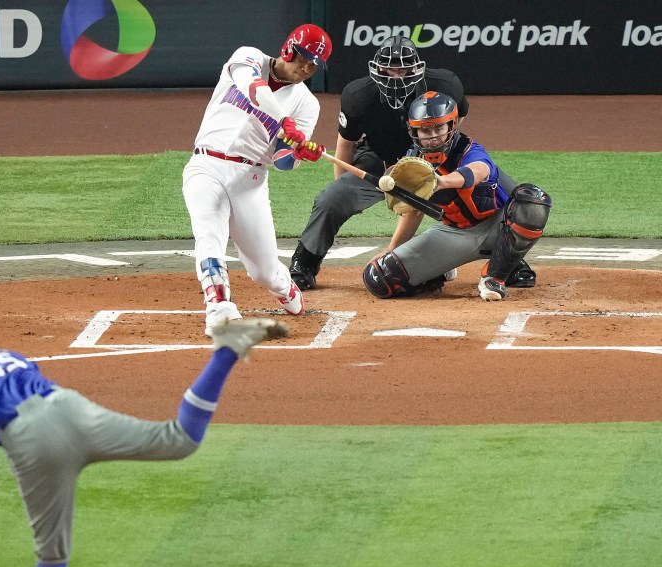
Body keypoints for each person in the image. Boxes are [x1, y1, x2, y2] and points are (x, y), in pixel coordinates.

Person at [0, 294, 287, 567]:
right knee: (179, 439)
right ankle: (227, 351)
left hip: (33, 438)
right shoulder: (9, 356)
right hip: (68, 405)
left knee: (51, 553)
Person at [288, 35, 536, 291]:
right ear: (377, 68)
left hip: (434, 154)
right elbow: (346, 144)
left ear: (417, 67)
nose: (397, 75)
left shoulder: (445, 85)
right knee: (332, 198)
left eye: (404, 69)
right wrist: (346, 194)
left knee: (499, 190)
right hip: (379, 160)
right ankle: (304, 264)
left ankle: (509, 261)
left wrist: (436, 152)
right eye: (390, 69)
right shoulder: (358, 95)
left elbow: (454, 123)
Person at [183, 23, 333, 336]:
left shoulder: (307, 104)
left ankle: (284, 287)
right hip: (206, 165)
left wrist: (298, 153)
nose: (306, 69)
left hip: (249, 180)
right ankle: (219, 308)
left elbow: (282, 161)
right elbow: (254, 89)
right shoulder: (248, 57)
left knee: (264, 272)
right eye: (303, 59)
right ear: (288, 49)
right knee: (209, 236)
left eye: (313, 65)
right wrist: (285, 121)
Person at [361, 91, 552, 301]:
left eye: (438, 128)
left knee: (533, 201)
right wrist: (393, 247)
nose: (432, 137)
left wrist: (442, 181)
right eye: (425, 130)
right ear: (414, 131)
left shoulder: (468, 149)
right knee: (379, 278)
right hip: (454, 234)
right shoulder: (412, 164)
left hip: (499, 228)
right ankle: (440, 270)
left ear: (451, 126)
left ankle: (495, 276)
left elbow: (479, 170)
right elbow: (414, 211)